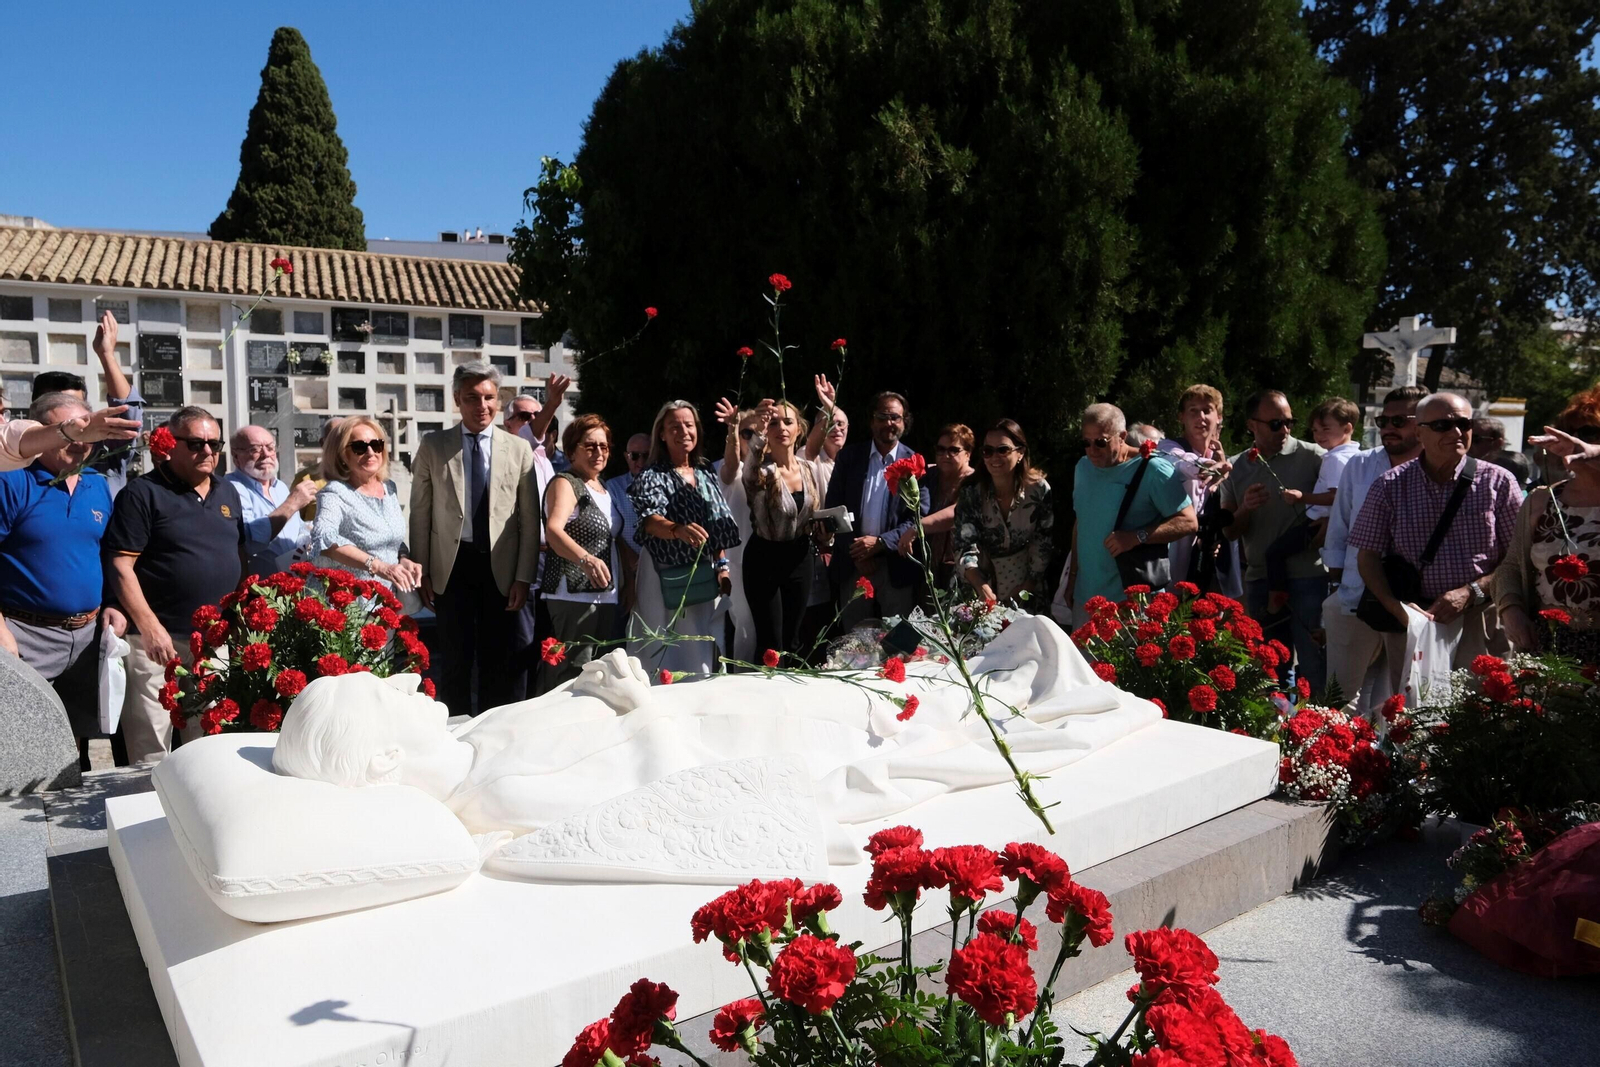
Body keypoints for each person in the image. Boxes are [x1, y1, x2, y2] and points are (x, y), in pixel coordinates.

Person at [102, 406, 244, 763]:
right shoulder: (142, 493)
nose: (208, 451)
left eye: (215, 443)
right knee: (151, 742)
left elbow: (234, 555)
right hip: (156, 641)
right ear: (171, 444)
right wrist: (150, 626)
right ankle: (148, 814)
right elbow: (121, 563)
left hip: (213, 640)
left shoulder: (227, 493)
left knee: (210, 741)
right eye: (196, 443)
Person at [1351, 392, 1524, 667]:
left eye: (1465, 425)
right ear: (1420, 433)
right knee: (1414, 706)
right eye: (1443, 425)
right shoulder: (1390, 485)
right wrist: (1400, 612)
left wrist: (1472, 591)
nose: (1456, 432)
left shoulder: (1499, 482)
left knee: (1481, 703)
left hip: (1481, 616)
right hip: (1414, 618)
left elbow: (1518, 557)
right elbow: (1367, 556)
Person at [0, 393, 125, 766]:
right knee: (28, 748)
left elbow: (106, 554)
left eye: (89, 432)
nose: (80, 444)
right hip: (26, 634)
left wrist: (114, 605)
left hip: (86, 637)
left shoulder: (96, 483)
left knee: (77, 749)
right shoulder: (13, 482)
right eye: (70, 434)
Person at [410, 363, 540, 715]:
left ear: (498, 401)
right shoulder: (434, 446)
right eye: (472, 398)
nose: (481, 406)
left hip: (501, 567)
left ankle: (490, 740)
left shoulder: (519, 449)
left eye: (489, 398)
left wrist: (523, 576)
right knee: (455, 660)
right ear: (457, 400)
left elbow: (529, 521)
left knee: (498, 660)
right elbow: (421, 513)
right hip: (452, 566)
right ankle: (451, 734)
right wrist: (422, 571)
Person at [1320, 385, 1427, 710]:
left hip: (1415, 604)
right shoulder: (1361, 464)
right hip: (1355, 598)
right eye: (1383, 420)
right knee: (1340, 700)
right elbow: (1339, 527)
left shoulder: (1439, 471)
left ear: (1422, 423)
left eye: (1399, 420)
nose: (1388, 428)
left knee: (1402, 702)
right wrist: (1340, 587)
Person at [1221, 390, 1328, 693]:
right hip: (1261, 580)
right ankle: (1276, 732)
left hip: (1309, 577)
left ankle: (1319, 730)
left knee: (1313, 666)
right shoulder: (1236, 466)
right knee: (1268, 669)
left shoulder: (1315, 457)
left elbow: (1341, 503)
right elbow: (1229, 531)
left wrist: (1327, 525)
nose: (1285, 430)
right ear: (1251, 425)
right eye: (1276, 423)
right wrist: (1244, 508)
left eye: (1290, 423)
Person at [628, 400, 741, 675]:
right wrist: (677, 529)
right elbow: (650, 520)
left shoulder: (705, 472)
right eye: (674, 426)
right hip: (661, 572)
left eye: (688, 425)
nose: (683, 431)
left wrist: (722, 569)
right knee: (661, 647)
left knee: (700, 646)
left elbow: (718, 526)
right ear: (662, 434)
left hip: (701, 574)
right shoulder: (652, 474)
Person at [1495, 387, 1600, 662]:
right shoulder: (1542, 500)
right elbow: (1509, 568)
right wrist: (1511, 611)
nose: (1575, 443)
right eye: (1570, 432)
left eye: (1590, 433)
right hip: (1547, 647)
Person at [1066, 404, 1195, 620]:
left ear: (1122, 436)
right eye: (1086, 443)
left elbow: (1189, 521)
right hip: (1087, 600)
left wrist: (1137, 537)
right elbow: (1082, 524)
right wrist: (1072, 578)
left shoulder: (1154, 470)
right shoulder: (1083, 468)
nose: (1092, 450)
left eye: (1100, 442)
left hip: (1135, 605)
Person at [732, 397, 834, 656]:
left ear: (799, 428)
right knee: (770, 644)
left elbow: (812, 514)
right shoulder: (762, 470)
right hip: (764, 558)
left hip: (800, 557)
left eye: (788, 422)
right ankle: (763, 693)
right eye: (774, 423)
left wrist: (826, 532)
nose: (781, 428)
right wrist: (758, 433)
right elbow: (749, 474)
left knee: (793, 640)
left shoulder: (808, 468)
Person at [540, 414, 635, 688]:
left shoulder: (602, 488)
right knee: (573, 673)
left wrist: (630, 580)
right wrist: (585, 559)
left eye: (604, 447)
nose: (599, 452)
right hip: (573, 594)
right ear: (571, 450)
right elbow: (554, 530)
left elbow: (612, 537)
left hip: (607, 595)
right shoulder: (565, 483)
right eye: (590, 446)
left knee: (605, 673)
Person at [823, 390, 928, 627]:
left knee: (897, 641)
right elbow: (833, 508)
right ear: (871, 420)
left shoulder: (914, 464)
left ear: (904, 421)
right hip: (853, 565)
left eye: (895, 418)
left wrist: (880, 542)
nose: (889, 423)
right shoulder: (849, 458)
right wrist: (858, 552)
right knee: (854, 643)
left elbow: (918, 518)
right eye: (882, 417)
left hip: (895, 565)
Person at [1263, 397, 1362, 614]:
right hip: (1334, 523)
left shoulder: (1336, 459)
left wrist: (1302, 497)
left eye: (1326, 429)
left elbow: (1336, 496)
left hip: (1318, 522)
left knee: (1274, 552)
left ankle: (1275, 596)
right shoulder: (1354, 455)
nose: (1319, 436)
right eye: (1316, 430)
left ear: (1347, 428)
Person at [309, 417, 425, 592]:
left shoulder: (389, 488)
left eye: (377, 445)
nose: (371, 452)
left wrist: (403, 558)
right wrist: (378, 566)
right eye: (359, 447)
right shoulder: (334, 493)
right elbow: (323, 537)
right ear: (341, 454)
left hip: (384, 599)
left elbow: (390, 537)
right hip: (348, 603)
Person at [954, 419, 1058, 604]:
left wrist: (1027, 586)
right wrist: (981, 586)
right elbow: (964, 546)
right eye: (988, 451)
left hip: (1026, 585)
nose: (994, 457)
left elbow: (1043, 542)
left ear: (1020, 453)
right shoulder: (971, 492)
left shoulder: (1039, 490)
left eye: (1003, 450)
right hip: (978, 585)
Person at [1158, 385, 1240, 597]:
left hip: (1214, 569)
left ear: (1219, 417)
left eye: (1207, 410)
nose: (1200, 417)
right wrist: (1210, 467)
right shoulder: (1168, 448)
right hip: (1176, 566)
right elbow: (1182, 462)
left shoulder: (1226, 461)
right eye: (1193, 410)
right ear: (1181, 417)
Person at [226, 425, 318, 577]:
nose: (266, 454)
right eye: (255, 449)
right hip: (259, 591)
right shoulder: (231, 488)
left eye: (270, 447)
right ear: (236, 456)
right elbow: (249, 541)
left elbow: (297, 529)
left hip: (293, 586)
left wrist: (313, 530)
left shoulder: (280, 487)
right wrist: (292, 504)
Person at [903, 423, 976, 600]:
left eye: (953, 450)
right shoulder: (930, 474)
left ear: (968, 454)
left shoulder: (973, 480)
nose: (945, 455)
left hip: (960, 566)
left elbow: (956, 513)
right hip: (926, 565)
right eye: (941, 449)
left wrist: (916, 528)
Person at [605, 432, 652, 598]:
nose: (640, 461)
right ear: (626, 457)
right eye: (635, 456)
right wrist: (631, 560)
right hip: (626, 567)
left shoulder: (666, 483)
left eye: (646, 455)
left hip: (660, 567)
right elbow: (611, 530)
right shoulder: (613, 486)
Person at [1470, 415, 1535, 487]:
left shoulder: (1510, 466)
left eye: (1474, 439)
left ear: (1497, 443)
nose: (1467, 443)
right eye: (1466, 437)